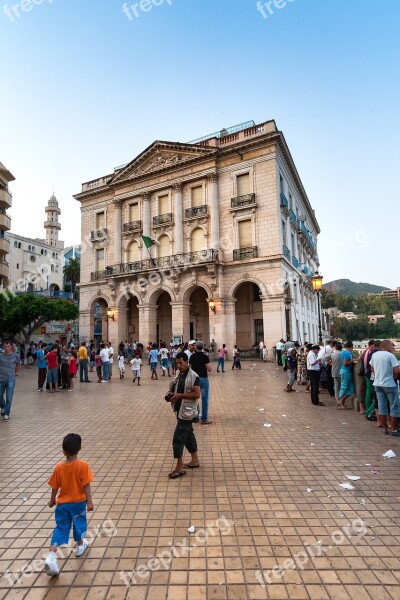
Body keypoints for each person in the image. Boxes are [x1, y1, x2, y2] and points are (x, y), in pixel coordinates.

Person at [44, 433, 94, 577]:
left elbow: (54, 486)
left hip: (63, 505)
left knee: (61, 528)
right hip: (78, 504)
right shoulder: (83, 466)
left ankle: (51, 556)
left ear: (63, 451)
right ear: (80, 448)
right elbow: (86, 485)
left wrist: (52, 500)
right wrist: (89, 502)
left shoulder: (59, 467)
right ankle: (80, 546)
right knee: (79, 524)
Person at [167, 352, 201, 479]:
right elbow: (176, 387)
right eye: (177, 363)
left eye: (181, 362)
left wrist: (180, 396)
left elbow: (197, 394)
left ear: (187, 362)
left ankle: (179, 467)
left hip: (187, 412)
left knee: (178, 438)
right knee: (188, 436)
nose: (179, 365)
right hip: (180, 409)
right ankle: (195, 460)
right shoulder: (178, 374)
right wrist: (170, 392)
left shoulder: (194, 376)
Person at [370, 339, 400, 436]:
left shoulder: (375, 355)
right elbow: (397, 370)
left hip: (377, 384)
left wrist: (379, 375)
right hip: (389, 384)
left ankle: (385, 428)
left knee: (382, 406)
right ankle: (394, 429)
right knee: (394, 406)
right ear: (387, 346)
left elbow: (372, 368)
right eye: (391, 346)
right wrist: (394, 375)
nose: (393, 348)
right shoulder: (390, 356)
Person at [190, 341, 212, 424]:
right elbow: (209, 369)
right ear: (203, 347)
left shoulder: (192, 357)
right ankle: (204, 419)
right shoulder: (205, 356)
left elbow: (190, 369)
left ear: (196, 347)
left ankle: (195, 417)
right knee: (204, 399)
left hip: (194, 380)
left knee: (194, 399)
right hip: (203, 379)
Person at [0, 340, 21, 421]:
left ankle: (6, 414)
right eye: (5, 346)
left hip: (11, 379)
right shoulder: (1, 356)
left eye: (8, 346)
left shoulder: (16, 356)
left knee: (9, 397)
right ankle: (3, 406)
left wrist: (14, 373)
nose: (6, 348)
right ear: (3, 347)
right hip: (1, 379)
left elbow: (19, 365)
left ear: (11, 347)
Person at [337, 342, 355, 410]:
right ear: (351, 347)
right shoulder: (346, 353)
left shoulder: (349, 353)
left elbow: (353, 357)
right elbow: (345, 363)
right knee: (344, 387)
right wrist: (352, 360)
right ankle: (340, 401)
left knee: (351, 389)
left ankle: (341, 401)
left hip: (347, 372)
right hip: (345, 371)